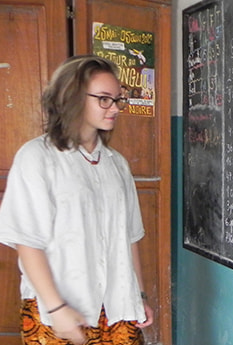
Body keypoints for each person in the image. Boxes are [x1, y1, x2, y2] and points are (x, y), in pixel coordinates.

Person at [0, 55, 153, 344]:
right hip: (58, 310)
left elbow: (130, 236)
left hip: (117, 308)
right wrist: (56, 308)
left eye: (118, 99)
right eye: (104, 99)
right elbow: (27, 240)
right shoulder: (38, 157)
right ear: (72, 98)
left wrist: (139, 295)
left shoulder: (116, 164)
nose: (115, 108)